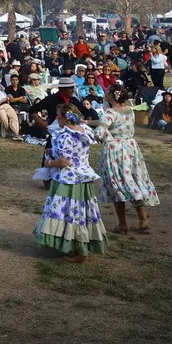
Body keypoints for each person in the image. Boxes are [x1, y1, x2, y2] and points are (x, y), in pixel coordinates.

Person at [33, 106, 108, 263]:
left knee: (68, 212)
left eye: (58, 116)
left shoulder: (65, 136)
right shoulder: (84, 131)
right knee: (82, 213)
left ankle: (78, 249)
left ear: (66, 118)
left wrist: (48, 162)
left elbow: (64, 161)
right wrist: (52, 151)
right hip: (84, 176)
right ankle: (80, 246)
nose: (56, 119)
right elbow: (74, 154)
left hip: (68, 179)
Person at [96, 85, 159, 234]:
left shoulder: (110, 113)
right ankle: (142, 217)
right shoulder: (129, 110)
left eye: (107, 91)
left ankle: (123, 223)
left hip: (115, 149)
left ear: (111, 95)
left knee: (116, 184)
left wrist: (103, 138)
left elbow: (99, 132)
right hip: (130, 148)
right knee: (132, 179)